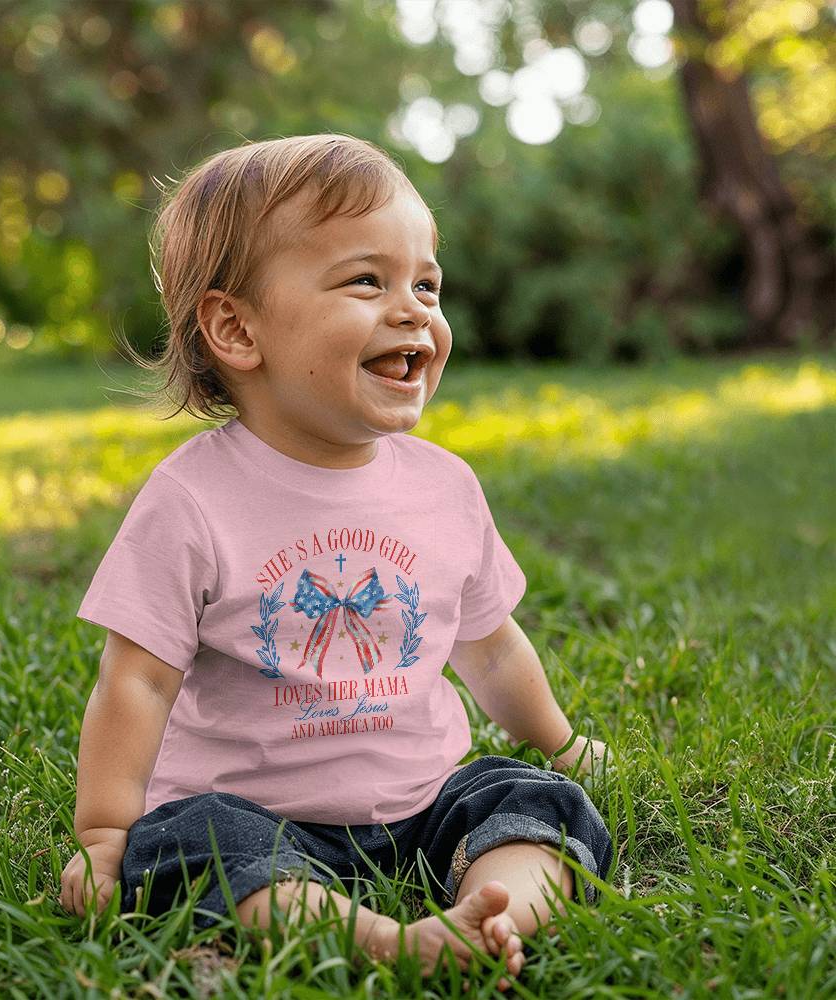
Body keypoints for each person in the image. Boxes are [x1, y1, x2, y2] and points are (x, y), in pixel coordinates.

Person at [58, 133, 615, 992]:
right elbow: (136, 680)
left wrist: (565, 745)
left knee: (533, 803)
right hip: (255, 812)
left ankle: (498, 912)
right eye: (368, 281)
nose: (415, 311)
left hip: (423, 802)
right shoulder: (193, 499)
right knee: (192, 846)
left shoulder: (445, 487)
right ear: (239, 330)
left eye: (426, 284)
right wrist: (103, 834)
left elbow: (493, 647)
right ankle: (392, 942)